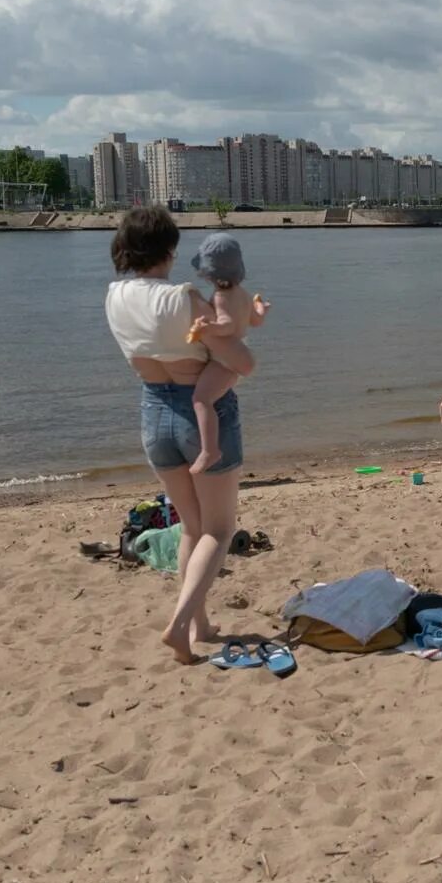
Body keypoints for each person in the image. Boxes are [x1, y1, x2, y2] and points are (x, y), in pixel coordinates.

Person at [103, 208, 255, 664]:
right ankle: (178, 624)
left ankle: (200, 625)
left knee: (190, 526)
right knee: (220, 529)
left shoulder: (114, 295)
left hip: (153, 411)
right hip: (199, 411)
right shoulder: (184, 297)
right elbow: (241, 360)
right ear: (169, 250)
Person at [183, 234, 269, 475]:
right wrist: (262, 308)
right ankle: (213, 447)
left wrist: (205, 328)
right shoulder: (242, 292)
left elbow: (227, 326)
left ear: (210, 272)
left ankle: (210, 450)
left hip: (225, 361)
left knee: (201, 400)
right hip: (237, 354)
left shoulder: (221, 296)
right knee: (212, 398)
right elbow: (256, 321)